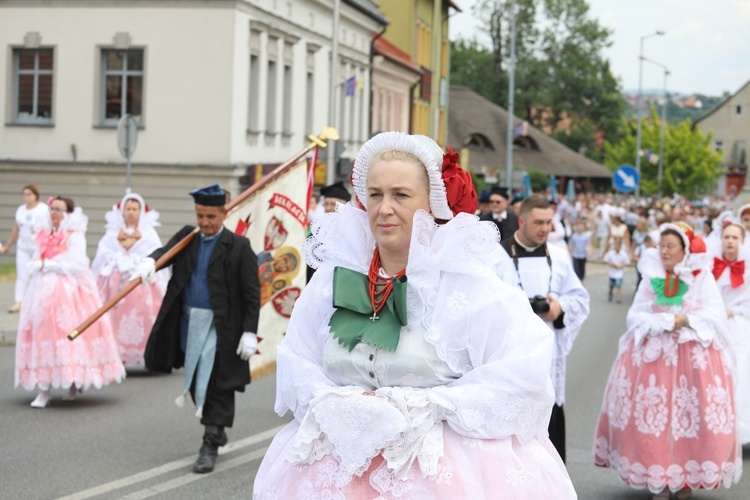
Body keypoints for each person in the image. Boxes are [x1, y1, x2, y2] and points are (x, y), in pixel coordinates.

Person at [253, 132, 576, 498]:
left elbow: (523, 372)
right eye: (375, 194)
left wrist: (429, 406)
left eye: (400, 195)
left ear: (431, 204)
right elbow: (298, 356)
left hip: (437, 474)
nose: (384, 208)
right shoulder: (333, 279)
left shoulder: (469, 284)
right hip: (338, 465)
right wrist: (333, 404)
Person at [594, 222, 740, 499]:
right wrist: (659, 320)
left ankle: (685, 478)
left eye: (670, 246)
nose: (664, 251)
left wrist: (686, 320)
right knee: (657, 419)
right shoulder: (651, 276)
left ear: (684, 251)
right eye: (661, 245)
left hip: (693, 357)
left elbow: (716, 315)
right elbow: (634, 315)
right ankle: (658, 476)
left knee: (687, 418)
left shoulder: (701, 277)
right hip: (654, 356)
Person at [132, 184, 261, 474]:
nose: (204, 222)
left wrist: (249, 331)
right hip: (188, 324)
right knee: (194, 382)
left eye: (211, 216)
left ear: (224, 213)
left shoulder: (238, 247)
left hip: (222, 329)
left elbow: (252, 294)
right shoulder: (187, 238)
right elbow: (164, 252)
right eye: (200, 215)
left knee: (218, 384)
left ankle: (210, 442)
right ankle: (216, 427)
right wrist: (150, 261)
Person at [498, 195, 590, 463]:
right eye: (538, 222)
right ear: (522, 220)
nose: (545, 229)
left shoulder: (559, 257)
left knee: (549, 434)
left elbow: (580, 299)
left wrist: (559, 309)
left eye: (549, 223)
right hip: (509, 360)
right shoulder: (496, 256)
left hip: (548, 360)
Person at [14, 196, 125, 408]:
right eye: (52, 208)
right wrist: (37, 264)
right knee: (41, 335)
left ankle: (72, 381)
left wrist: (48, 264)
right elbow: (37, 257)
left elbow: (77, 264)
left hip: (67, 292)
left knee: (67, 337)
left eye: (59, 209)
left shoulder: (75, 236)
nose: (54, 212)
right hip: (40, 291)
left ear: (68, 214)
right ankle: (44, 388)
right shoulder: (44, 234)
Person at [91, 193, 168, 366]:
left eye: (135, 209)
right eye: (128, 209)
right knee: (114, 316)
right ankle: (115, 353)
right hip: (115, 282)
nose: (131, 212)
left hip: (141, 283)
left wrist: (136, 261)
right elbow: (102, 254)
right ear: (122, 211)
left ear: (140, 211)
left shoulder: (148, 234)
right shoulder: (112, 233)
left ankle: (147, 354)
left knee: (143, 314)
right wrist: (118, 258)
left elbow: (156, 254)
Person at [712, 222, 750, 444]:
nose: (730, 241)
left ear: (742, 241)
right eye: (727, 237)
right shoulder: (711, 266)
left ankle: (741, 427)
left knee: (740, 372)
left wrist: (733, 311)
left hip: (739, 325)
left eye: (735, 238)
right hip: (715, 326)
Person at [1, 184, 49, 313]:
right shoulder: (21, 210)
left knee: (37, 274)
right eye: (24, 194)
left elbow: (49, 228)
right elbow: (17, 228)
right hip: (23, 246)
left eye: (29, 194)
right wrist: (8, 244)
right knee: (22, 274)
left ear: (35, 195)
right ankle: (19, 302)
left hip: (37, 247)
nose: (26, 197)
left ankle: (36, 302)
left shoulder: (43, 209)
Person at [603, 237, 630, 303]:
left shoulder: (623, 254)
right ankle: (610, 294)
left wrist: (620, 266)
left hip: (619, 273)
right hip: (612, 272)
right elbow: (605, 260)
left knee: (619, 285)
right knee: (611, 285)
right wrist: (612, 265)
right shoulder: (610, 253)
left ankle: (618, 297)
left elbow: (627, 263)